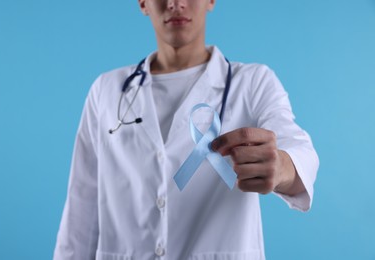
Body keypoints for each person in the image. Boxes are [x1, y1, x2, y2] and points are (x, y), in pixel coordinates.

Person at [54, 0, 319, 259]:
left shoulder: (252, 83)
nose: (175, 3)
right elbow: (81, 210)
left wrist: (282, 167)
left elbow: (297, 148)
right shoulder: (107, 90)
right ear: (143, 3)